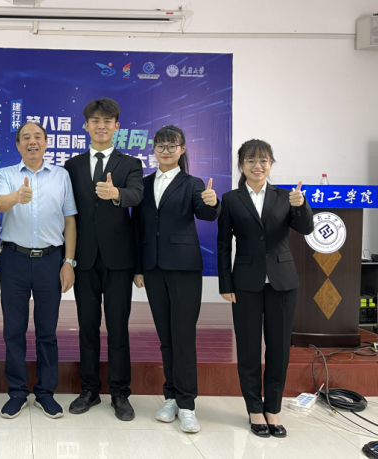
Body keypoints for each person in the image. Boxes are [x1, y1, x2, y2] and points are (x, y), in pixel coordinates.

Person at [217, 139, 312, 438]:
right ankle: (254, 409)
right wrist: (225, 283)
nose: (257, 166)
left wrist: (302, 205)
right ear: (241, 165)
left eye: (264, 161)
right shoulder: (231, 199)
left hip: (283, 282)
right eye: (251, 161)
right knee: (247, 348)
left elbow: (306, 228)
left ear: (271, 164)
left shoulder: (286, 196)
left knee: (279, 349)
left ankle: (273, 408)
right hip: (245, 283)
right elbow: (223, 244)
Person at [132, 125, 220, 433]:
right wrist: (138, 268)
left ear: (182, 149)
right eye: (161, 146)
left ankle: (187, 404)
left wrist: (212, 202)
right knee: (166, 336)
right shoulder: (144, 184)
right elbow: (138, 228)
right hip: (153, 267)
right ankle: (170, 396)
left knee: (183, 334)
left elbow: (205, 214)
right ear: (153, 150)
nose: (166, 151)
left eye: (172, 146)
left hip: (184, 267)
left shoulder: (192, 183)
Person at [63, 98, 144, 421]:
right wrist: (67, 260)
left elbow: (137, 195)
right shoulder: (72, 165)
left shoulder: (130, 163)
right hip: (83, 258)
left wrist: (117, 194)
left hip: (119, 259)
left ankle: (120, 393)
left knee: (118, 327)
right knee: (87, 326)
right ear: (86, 126)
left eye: (107, 121)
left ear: (116, 127)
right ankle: (90, 389)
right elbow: (67, 211)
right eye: (95, 120)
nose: (101, 125)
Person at [0, 122, 77, 419]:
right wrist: (17, 197)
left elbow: (70, 220)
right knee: (13, 329)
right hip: (14, 260)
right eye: (26, 138)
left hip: (50, 261)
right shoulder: (5, 174)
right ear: (18, 145)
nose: (32, 142)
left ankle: (45, 392)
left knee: (47, 331)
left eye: (37, 137)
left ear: (46, 142)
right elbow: (0, 204)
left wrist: (69, 262)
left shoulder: (61, 176)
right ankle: (17, 391)